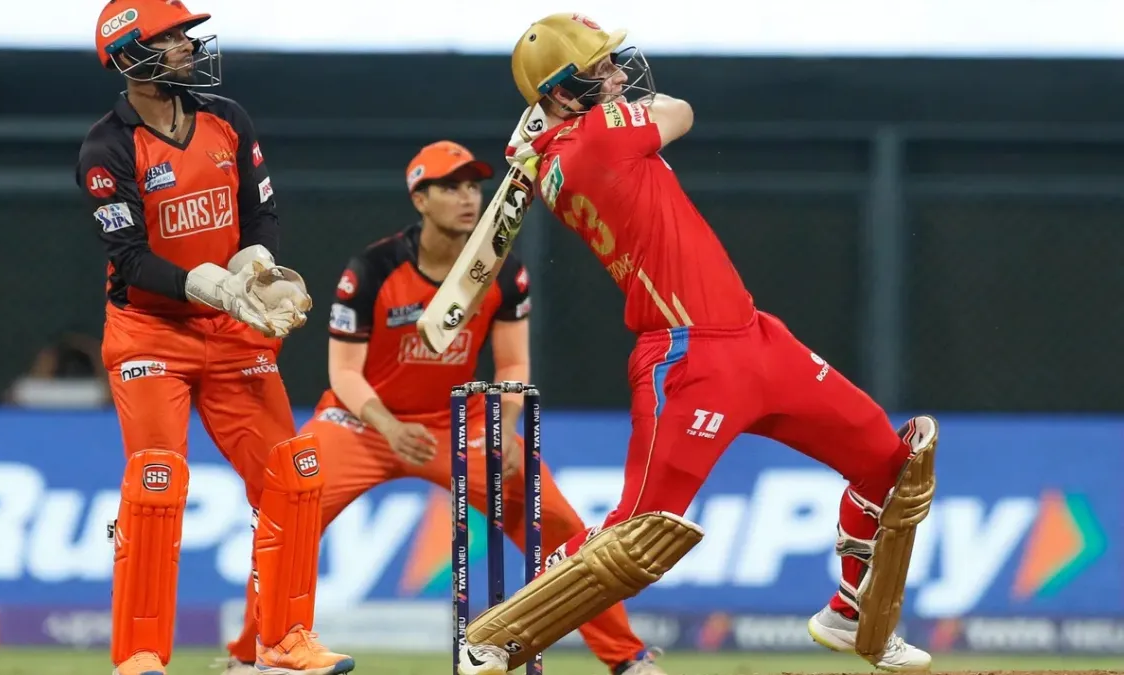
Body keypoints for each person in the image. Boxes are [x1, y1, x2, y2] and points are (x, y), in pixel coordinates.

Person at [456, 13, 938, 675]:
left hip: (757, 339)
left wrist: (542, 133)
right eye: (601, 69)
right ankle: (497, 636)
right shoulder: (598, 135)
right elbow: (681, 111)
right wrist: (561, 127)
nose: (619, 74)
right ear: (564, 93)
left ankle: (851, 610)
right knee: (638, 533)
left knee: (891, 467)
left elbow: (572, 146)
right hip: (689, 357)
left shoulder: (553, 163)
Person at [220, 140, 663, 675]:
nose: (468, 197)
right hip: (361, 422)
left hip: (457, 424)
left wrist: (505, 429)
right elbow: (344, 373)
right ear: (420, 199)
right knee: (289, 507)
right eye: (450, 187)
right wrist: (388, 427)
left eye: (473, 186)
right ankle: (250, 654)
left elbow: (512, 364)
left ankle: (628, 659)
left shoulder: (503, 271)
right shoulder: (374, 268)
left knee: (556, 521)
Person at [78, 1, 351, 674]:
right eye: (170, 38)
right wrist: (213, 286)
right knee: (157, 484)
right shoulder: (106, 148)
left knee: (294, 476)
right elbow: (131, 261)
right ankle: (141, 652)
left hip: (234, 334)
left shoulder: (227, 118)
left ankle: (283, 641)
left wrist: (255, 267)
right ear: (128, 56)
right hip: (150, 334)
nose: (187, 47)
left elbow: (261, 212)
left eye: (185, 35)